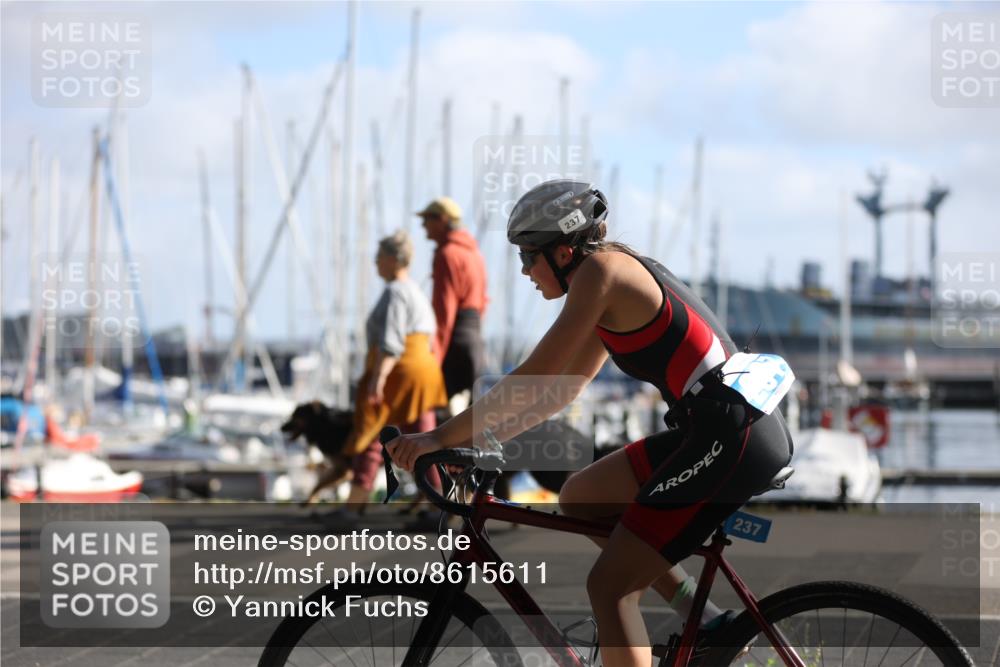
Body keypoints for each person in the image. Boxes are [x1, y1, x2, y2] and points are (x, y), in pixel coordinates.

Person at [388, 180, 794, 666]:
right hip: (716, 430)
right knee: (581, 496)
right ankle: (705, 619)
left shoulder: (602, 272)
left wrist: (436, 436)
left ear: (562, 252)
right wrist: (481, 442)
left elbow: (534, 378)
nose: (524, 270)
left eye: (527, 256)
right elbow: (560, 391)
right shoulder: (605, 279)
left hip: (732, 438)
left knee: (609, 588)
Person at [339, 230, 448, 515]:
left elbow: (391, 342)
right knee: (425, 440)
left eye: (379, 257)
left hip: (400, 373)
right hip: (423, 373)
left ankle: (354, 507)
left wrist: (378, 379)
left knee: (371, 435)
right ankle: (441, 505)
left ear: (392, 259)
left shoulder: (395, 292)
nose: (375, 262)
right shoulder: (416, 292)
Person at [417, 197, 488, 414]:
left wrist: (435, 357)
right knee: (471, 417)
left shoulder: (447, 254)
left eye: (427, 219)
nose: (423, 225)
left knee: (443, 418)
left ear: (442, 220)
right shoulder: (474, 253)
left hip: (454, 343)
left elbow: (443, 310)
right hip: (473, 339)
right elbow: (483, 300)